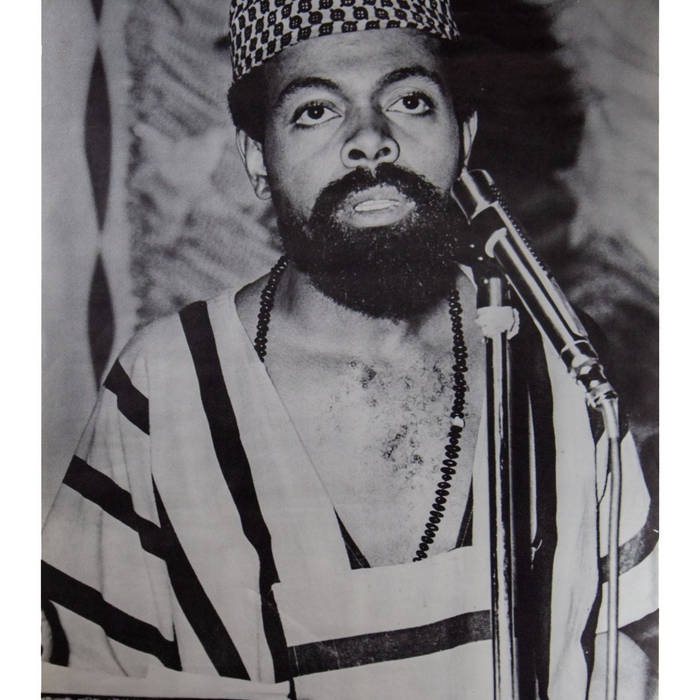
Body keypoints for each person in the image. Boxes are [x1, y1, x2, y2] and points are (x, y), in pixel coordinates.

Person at [42, 0, 657, 698]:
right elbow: (82, 678)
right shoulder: (168, 387)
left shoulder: (556, 359)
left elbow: (631, 652)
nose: (371, 140)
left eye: (410, 101)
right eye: (315, 111)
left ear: (465, 135)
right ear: (258, 158)